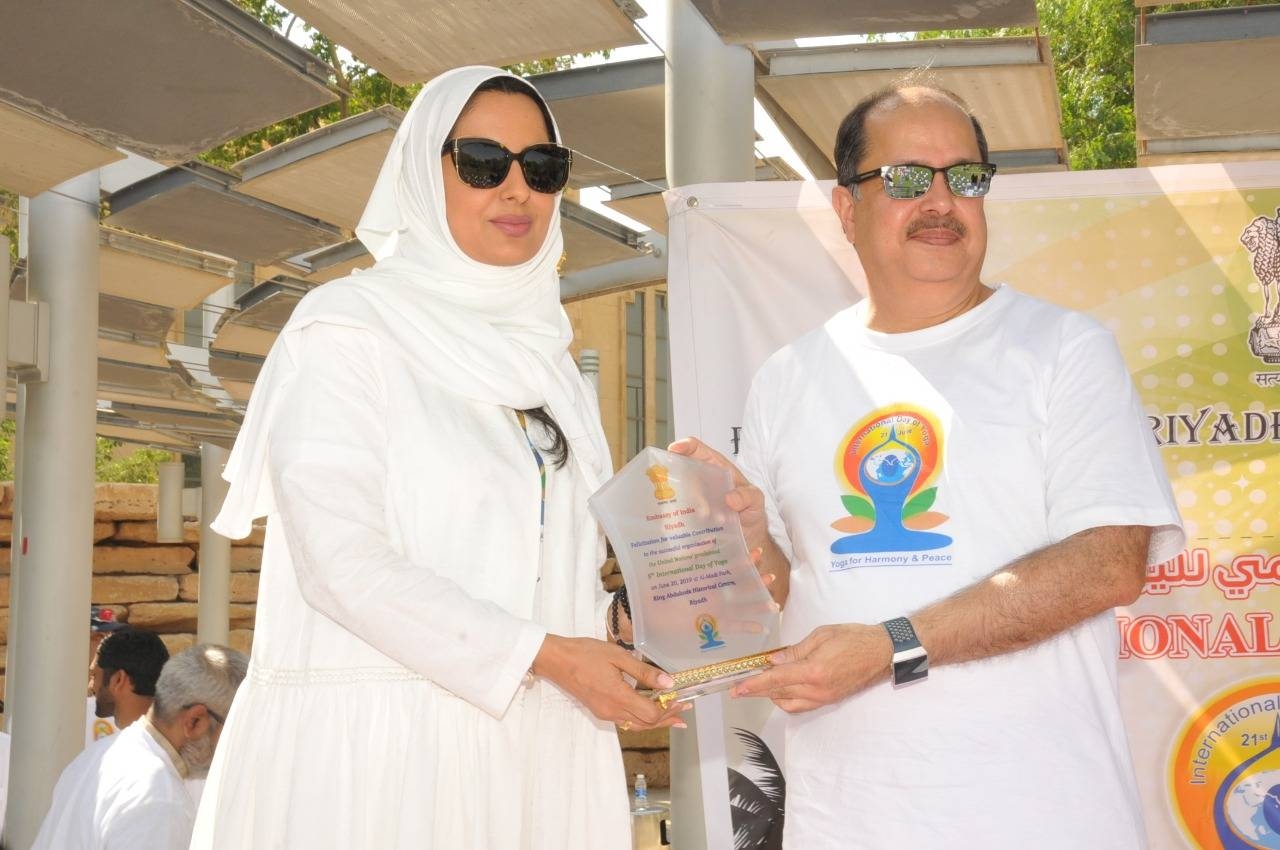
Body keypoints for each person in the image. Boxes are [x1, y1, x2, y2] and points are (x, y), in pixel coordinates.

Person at [671, 83, 1184, 849]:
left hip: (1042, 818)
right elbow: (780, 590)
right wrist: (746, 537)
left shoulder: (1064, 350)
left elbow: (1109, 564)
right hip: (849, 819)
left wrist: (891, 646)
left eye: (965, 178)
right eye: (908, 179)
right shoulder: (789, 377)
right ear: (848, 210)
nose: (942, 202)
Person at [189, 66, 682, 849]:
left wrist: (626, 630)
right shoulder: (348, 332)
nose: (517, 190)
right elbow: (340, 564)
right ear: (425, 170)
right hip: (388, 768)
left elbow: (546, 573)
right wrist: (548, 655)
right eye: (484, 163)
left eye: (543, 168)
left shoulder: (551, 363)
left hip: (535, 761)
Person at [31, 644, 248, 850]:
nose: (236, 745)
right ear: (195, 721)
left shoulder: (99, 755)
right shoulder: (160, 799)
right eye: (234, 730)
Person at [89, 628, 170, 732]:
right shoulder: (182, 741)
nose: (91, 686)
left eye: (94, 676)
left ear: (118, 680)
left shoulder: (119, 747)